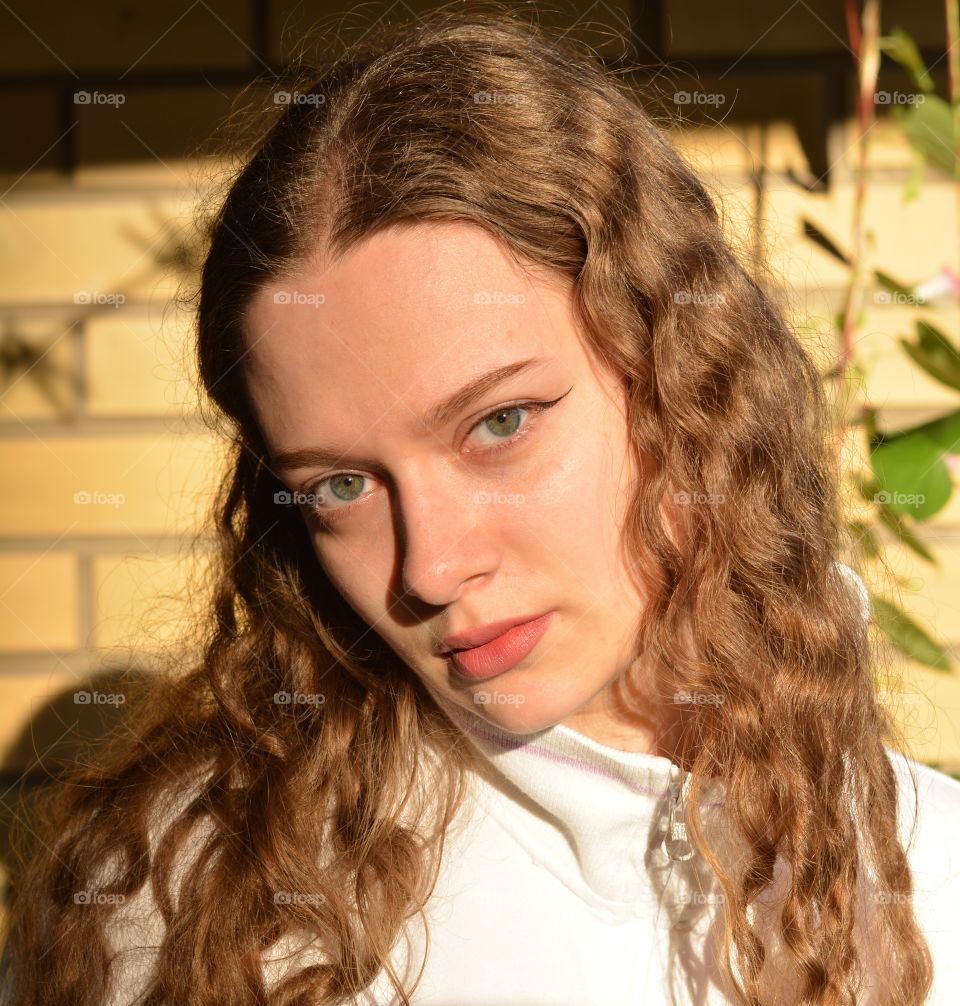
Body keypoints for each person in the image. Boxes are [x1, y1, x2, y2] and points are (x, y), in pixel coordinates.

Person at [4, 9, 960, 1006]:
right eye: (339, 486)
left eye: (501, 421)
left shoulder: (940, 887)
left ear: (682, 375)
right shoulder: (185, 912)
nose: (428, 568)